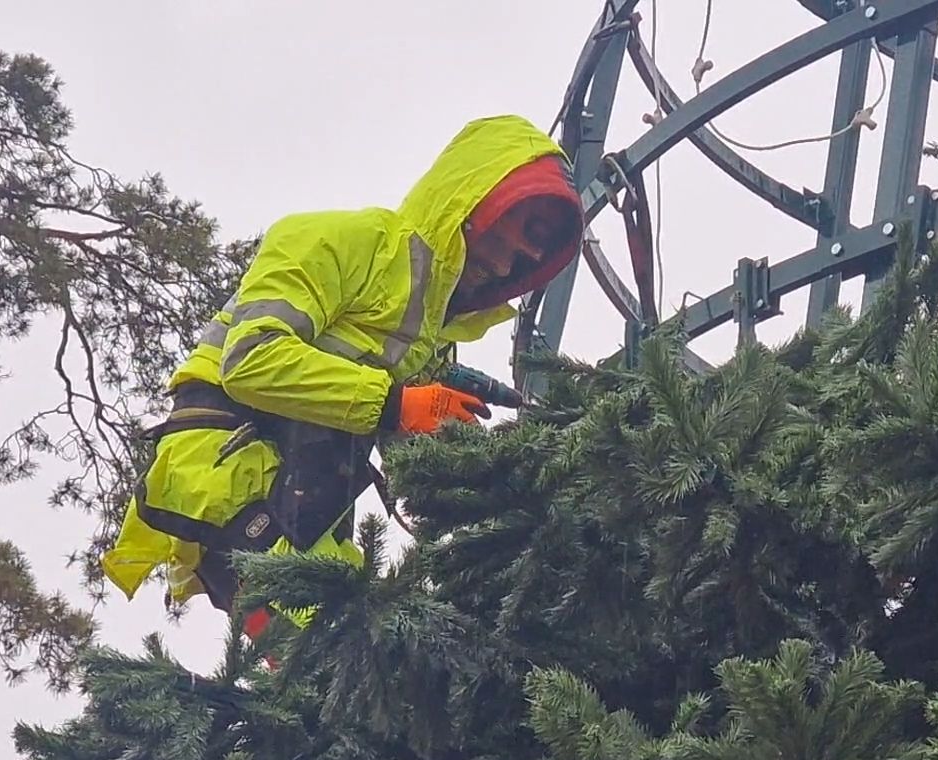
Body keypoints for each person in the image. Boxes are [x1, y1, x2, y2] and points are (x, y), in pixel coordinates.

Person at [99, 114, 582, 641]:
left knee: (370, 659)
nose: (531, 254)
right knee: (333, 653)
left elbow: (410, 458)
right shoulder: (340, 243)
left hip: (304, 497)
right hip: (227, 474)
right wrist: (397, 404)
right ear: (480, 198)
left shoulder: (432, 332)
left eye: (544, 246)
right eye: (530, 227)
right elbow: (251, 359)